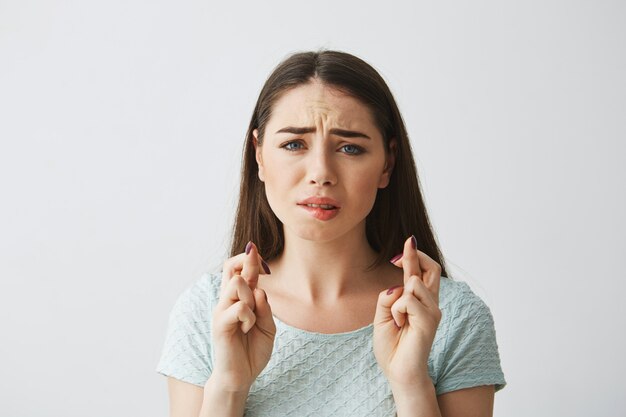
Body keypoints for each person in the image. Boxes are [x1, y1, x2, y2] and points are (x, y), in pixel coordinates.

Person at [156, 49, 506, 417]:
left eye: (350, 148)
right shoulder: (208, 311)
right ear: (258, 155)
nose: (321, 172)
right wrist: (228, 385)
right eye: (294, 144)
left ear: (387, 163)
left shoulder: (451, 317)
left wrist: (411, 383)